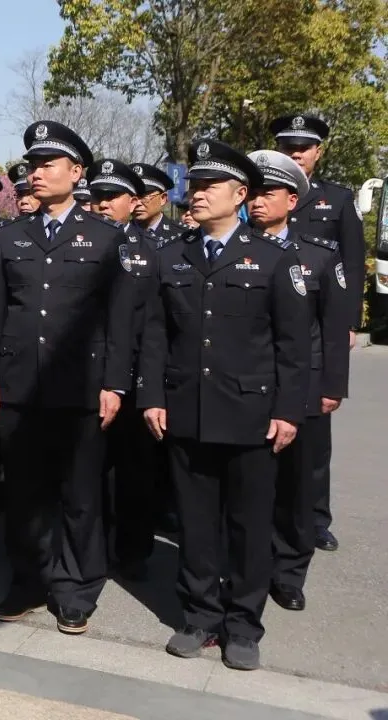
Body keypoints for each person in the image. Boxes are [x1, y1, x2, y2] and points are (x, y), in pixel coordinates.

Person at [140, 139, 310, 671]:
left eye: (209, 185)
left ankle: (242, 625)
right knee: (195, 524)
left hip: (250, 415)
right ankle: (199, 617)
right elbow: (155, 334)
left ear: (240, 194)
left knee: (249, 526)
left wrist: (288, 411)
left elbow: (293, 346)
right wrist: (151, 396)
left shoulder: (275, 258)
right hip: (186, 409)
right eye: (194, 184)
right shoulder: (173, 255)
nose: (197, 193)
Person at [0, 121, 134, 634]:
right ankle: (28, 580)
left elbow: (119, 319)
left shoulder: (105, 237)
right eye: (32, 165)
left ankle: (75, 588)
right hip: (19, 384)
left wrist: (114, 384)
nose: (36, 173)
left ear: (77, 172)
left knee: (79, 494)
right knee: (24, 492)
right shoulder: (10, 235)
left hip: (80, 385)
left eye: (48, 164)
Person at [244, 150, 349, 613]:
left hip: (304, 388)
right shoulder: (231, 249)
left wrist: (332, 386)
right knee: (249, 486)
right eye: (253, 193)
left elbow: (334, 327)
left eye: (269, 193)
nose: (258, 202)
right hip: (247, 386)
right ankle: (246, 564)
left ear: (292, 200)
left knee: (298, 486)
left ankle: (288, 572)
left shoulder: (318, 255)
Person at [271, 113, 363, 552]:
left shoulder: (337, 199)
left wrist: (347, 322)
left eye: (302, 148)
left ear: (317, 152)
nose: (295, 154)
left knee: (313, 436)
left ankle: (315, 518)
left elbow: (351, 264)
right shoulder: (262, 194)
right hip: (271, 322)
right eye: (287, 147)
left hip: (317, 320)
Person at [87, 158, 158, 580]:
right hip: (87, 376)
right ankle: (90, 551)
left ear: (134, 203)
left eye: (112, 197)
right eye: (97, 196)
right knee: (87, 474)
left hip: (134, 377)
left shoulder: (152, 251)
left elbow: (155, 325)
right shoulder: (80, 245)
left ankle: (133, 552)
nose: (102, 204)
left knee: (135, 473)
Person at [130, 163, 185, 242]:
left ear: (163, 199)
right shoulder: (118, 234)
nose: (137, 203)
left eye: (144, 196)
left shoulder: (183, 236)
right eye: (132, 197)